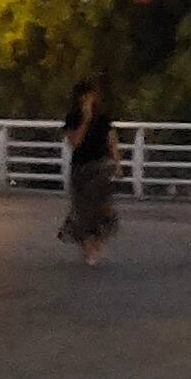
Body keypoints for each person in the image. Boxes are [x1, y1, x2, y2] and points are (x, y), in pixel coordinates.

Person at [56, 77, 121, 265]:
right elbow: (75, 142)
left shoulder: (103, 118)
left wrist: (117, 164)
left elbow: (112, 140)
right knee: (80, 210)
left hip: (100, 167)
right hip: (81, 168)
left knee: (102, 208)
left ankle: (96, 242)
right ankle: (88, 248)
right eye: (88, 95)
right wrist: (85, 120)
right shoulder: (73, 117)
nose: (92, 99)